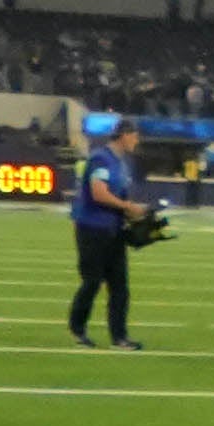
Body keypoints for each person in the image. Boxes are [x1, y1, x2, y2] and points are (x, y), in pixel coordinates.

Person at [69, 123, 151, 346]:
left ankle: (119, 336)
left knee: (119, 287)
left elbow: (120, 199)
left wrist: (136, 215)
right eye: (135, 136)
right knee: (92, 282)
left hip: (113, 230)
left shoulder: (121, 163)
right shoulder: (101, 158)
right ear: (124, 135)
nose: (137, 141)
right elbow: (99, 193)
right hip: (92, 229)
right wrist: (127, 206)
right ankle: (77, 329)